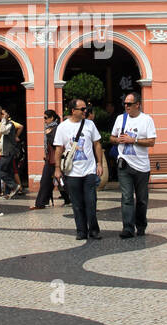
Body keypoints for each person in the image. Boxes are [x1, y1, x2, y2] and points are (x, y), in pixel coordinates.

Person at [53, 97, 103, 241]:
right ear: (73, 110)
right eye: (82, 109)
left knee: (91, 201)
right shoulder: (63, 127)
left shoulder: (90, 125)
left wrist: (99, 163)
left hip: (89, 170)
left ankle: (94, 230)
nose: (85, 111)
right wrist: (57, 168)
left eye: (85, 109)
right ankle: (81, 230)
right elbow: (59, 148)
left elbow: (97, 144)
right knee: (77, 203)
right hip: (72, 171)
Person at [110, 89, 156, 237]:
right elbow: (112, 137)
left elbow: (151, 141)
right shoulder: (120, 119)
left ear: (138, 105)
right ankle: (128, 228)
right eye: (125, 104)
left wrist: (134, 140)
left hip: (142, 165)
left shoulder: (147, 120)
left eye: (129, 104)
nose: (126, 106)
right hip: (124, 163)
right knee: (127, 197)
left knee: (142, 199)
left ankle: (141, 225)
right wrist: (118, 140)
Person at [33, 110, 66, 209]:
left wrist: (48, 134)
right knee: (55, 181)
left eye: (45, 118)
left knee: (48, 181)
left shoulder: (56, 128)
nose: (44, 120)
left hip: (54, 159)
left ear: (52, 118)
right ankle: (41, 203)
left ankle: (40, 203)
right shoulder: (50, 128)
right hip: (50, 159)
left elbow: (56, 144)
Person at [0, 109, 24, 198]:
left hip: (7, 152)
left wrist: (4, 119)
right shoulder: (3, 123)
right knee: (8, 171)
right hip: (3, 152)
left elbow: (2, 130)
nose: (1, 115)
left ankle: (14, 186)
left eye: (3, 114)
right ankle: (8, 192)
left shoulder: (9, 124)